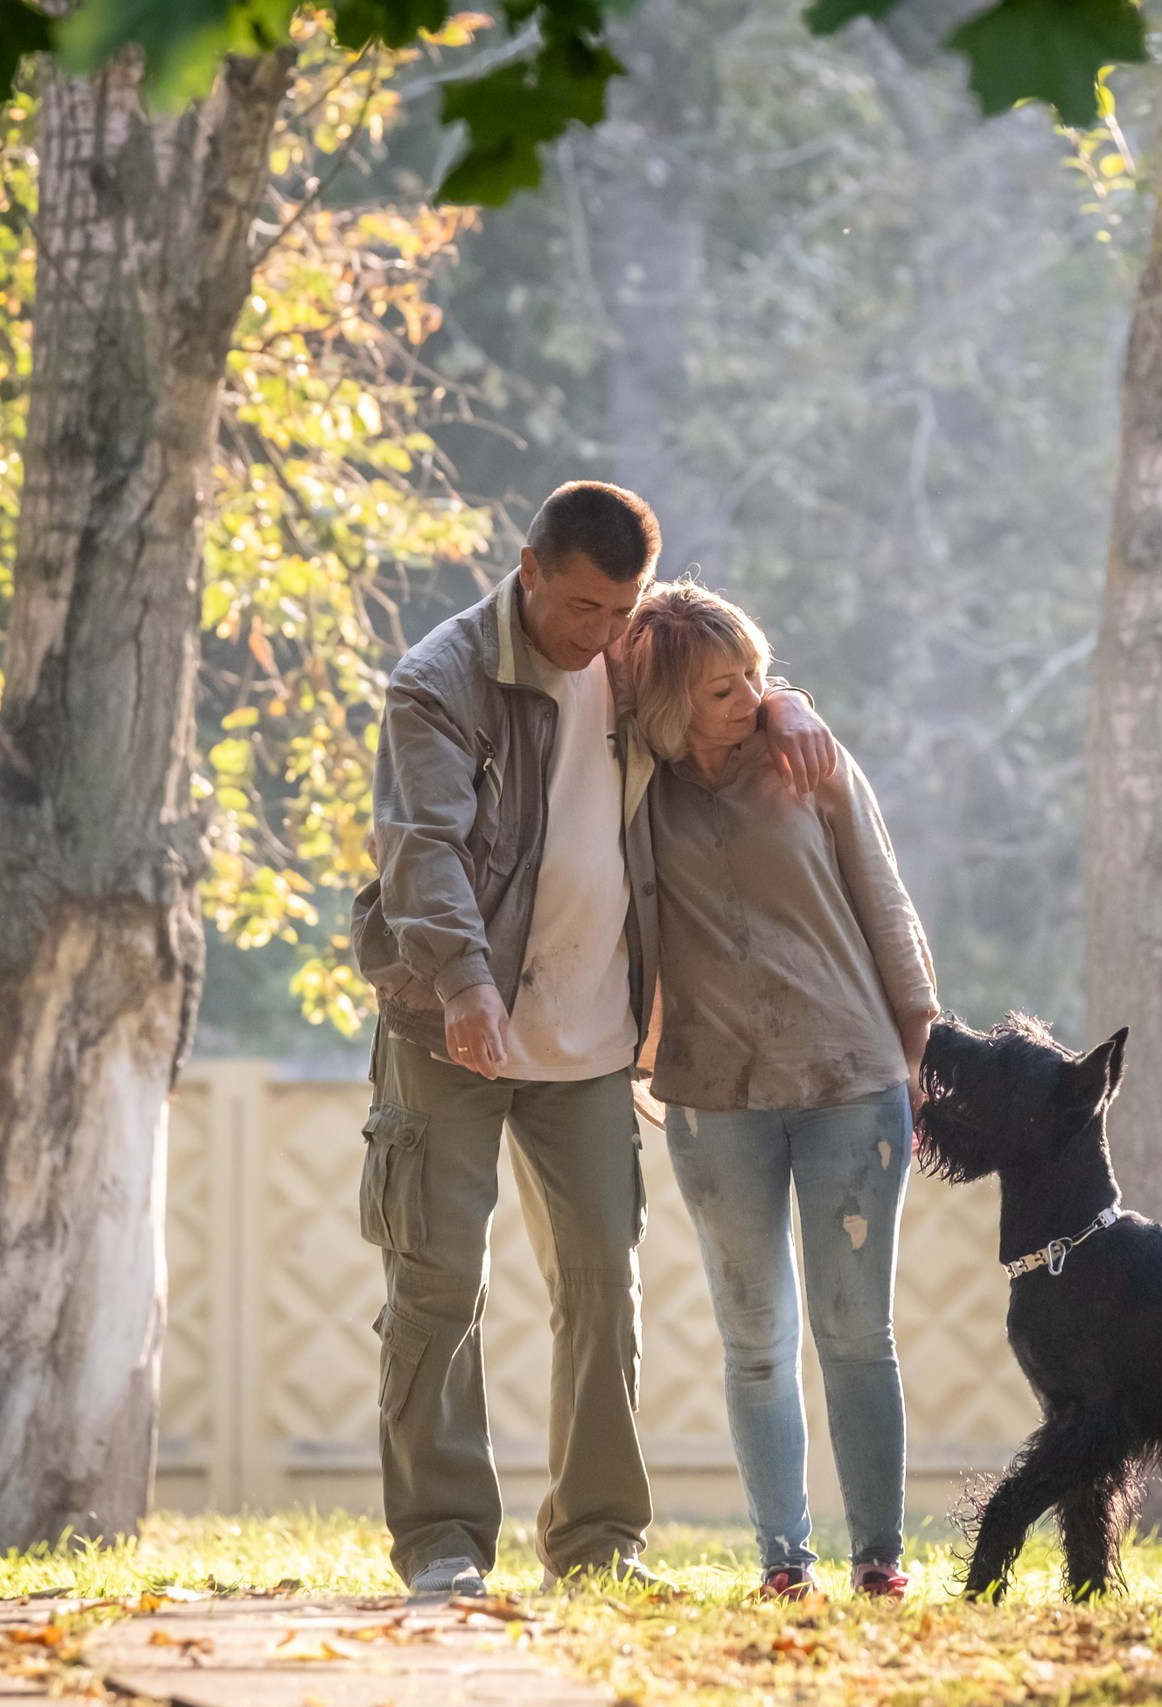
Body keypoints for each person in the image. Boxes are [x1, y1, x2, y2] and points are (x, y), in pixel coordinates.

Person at [350, 482, 835, 1598]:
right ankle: (441, 1541)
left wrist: (786, 708)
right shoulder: (439, 682)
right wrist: (468, 986)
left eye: (619, 614)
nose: (599, 638)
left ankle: (600, 1538)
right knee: (436, 1282)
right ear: (528, 571)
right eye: (578, 610)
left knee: (603, 1286)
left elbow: (724, 677)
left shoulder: (627, 652)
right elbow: (419, 851)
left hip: (588, 1036)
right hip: (447, 1025)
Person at [619, 582, 937, 1602]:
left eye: (758, 674)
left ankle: (880, 1559)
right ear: (667, 706)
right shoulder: (632, 783)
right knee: (753, 1340)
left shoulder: (808, 757)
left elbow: (884, 895)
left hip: (851, 1078)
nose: (752, 697)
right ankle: (782, 1564)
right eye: (722, 688)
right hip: (714, 1094)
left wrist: (922, 1043)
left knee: (856, 1333)